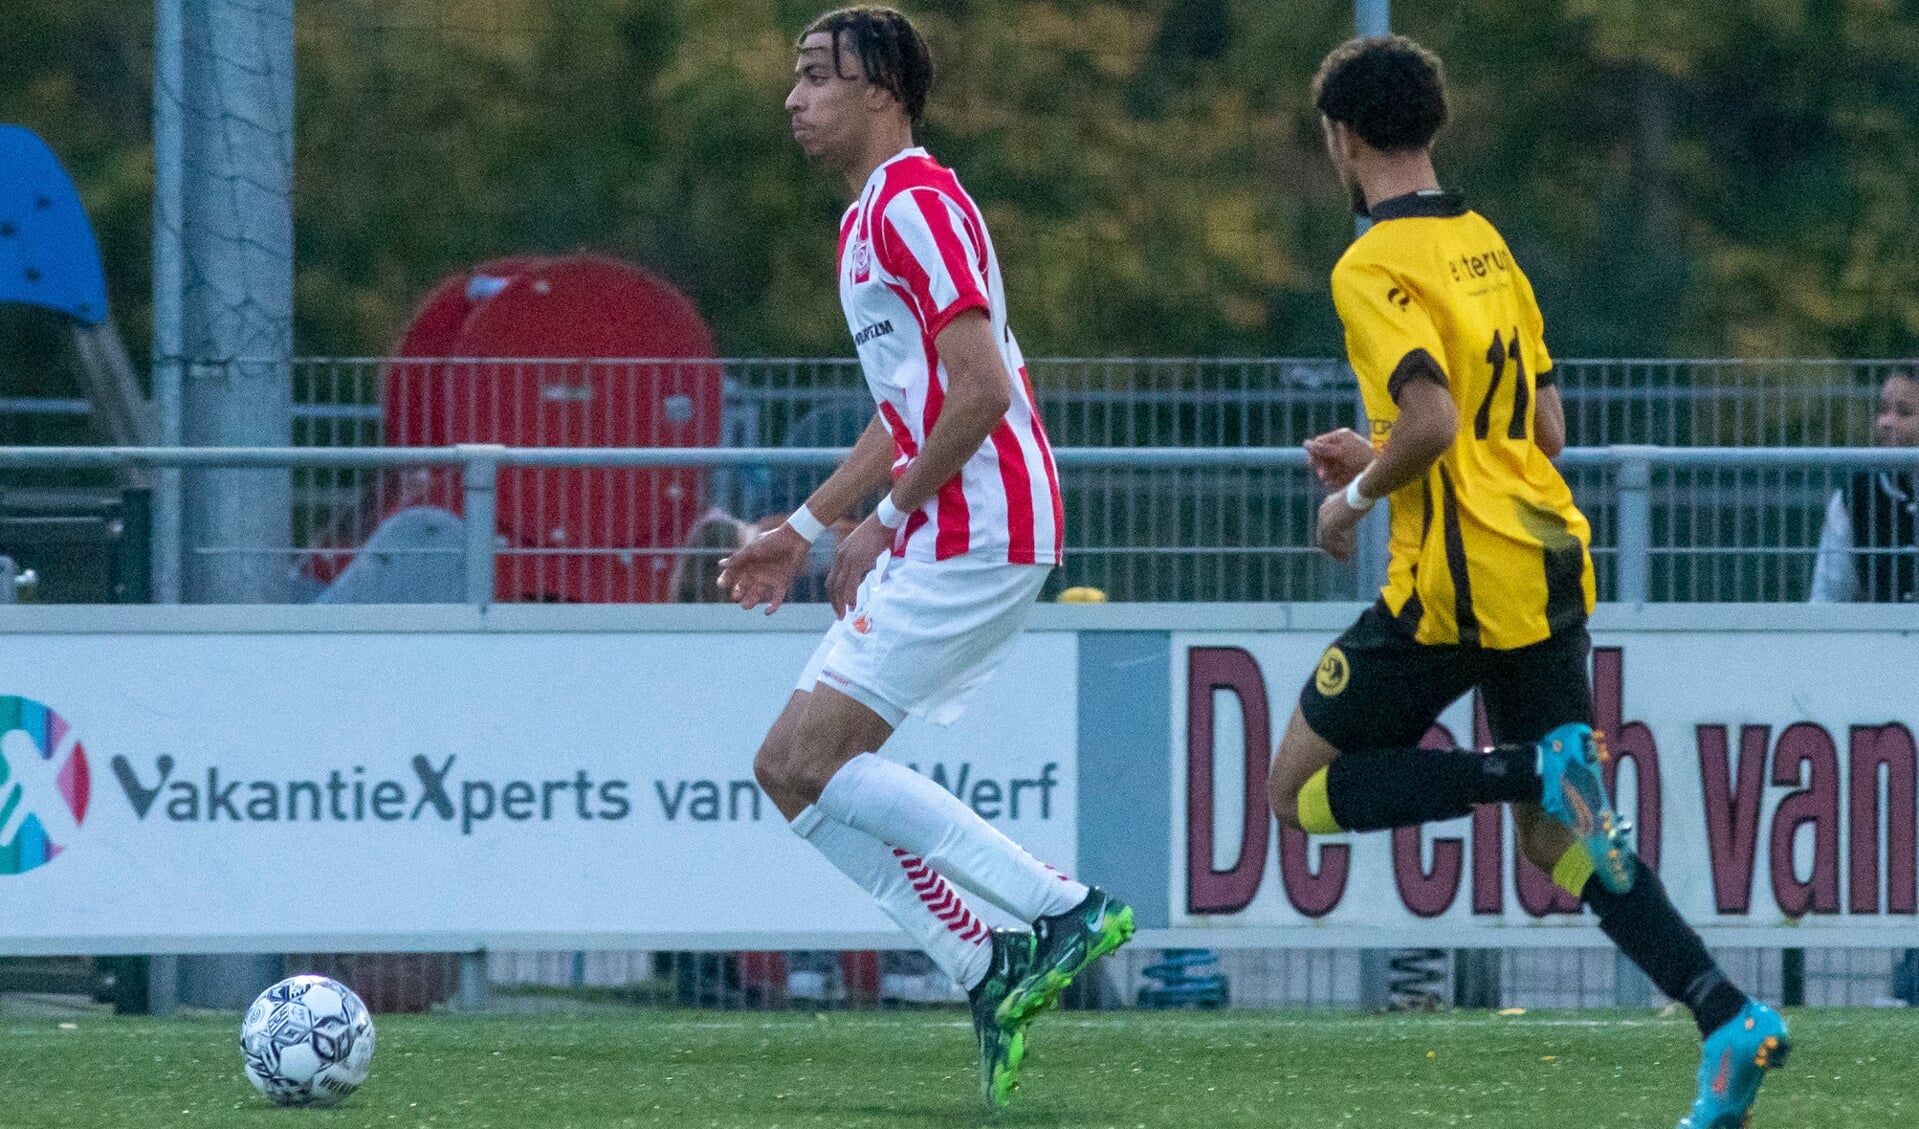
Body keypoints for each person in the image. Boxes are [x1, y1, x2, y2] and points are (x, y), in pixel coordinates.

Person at [1266, 37, 1788, 1129]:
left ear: (1340, 136)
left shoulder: (1370, 264)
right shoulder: (1484, 243)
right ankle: (1724, 1013)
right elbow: (1541, 427)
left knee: (1298, 790)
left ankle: (1516, 768)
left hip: (1454, 584)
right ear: (1430, 126)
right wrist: (1374, 454)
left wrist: (1350, 500)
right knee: (1567, 838)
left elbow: (1432, 420)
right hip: (1547, 554)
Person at [717, 7, 1132, 1108]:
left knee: (810, 760)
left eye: (816, 76)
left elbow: (982, 387)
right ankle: (984, 961)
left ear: (882, 92)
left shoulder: (915, 201)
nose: (793, 97)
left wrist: (887, 517)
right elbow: (905, 406)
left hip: (978, 523)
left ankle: (1054, 910)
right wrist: (800, 530)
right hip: (956, 520)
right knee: (787, 771)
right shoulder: (868, 221)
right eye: (793, 78)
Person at [1808, 368, 1919, 602]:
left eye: (1904, 412)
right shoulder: (1856, 496)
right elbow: (1826, 599)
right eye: (1883, 410)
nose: (1886, 422)